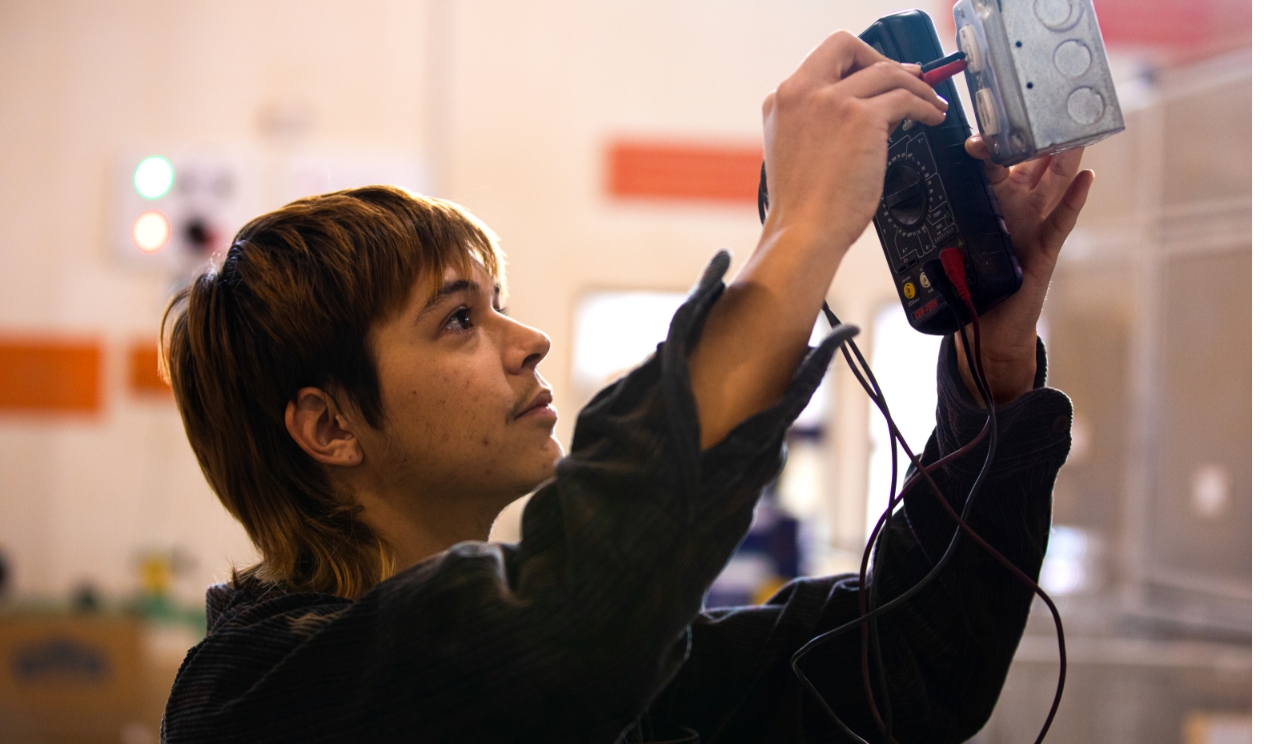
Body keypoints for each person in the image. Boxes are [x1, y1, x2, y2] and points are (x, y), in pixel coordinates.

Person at [160, 31, 1092, 744]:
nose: (527, 343)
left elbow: (913, 670)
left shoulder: (603, 652)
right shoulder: (257, 696)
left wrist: (990, 377)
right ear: (328, 425)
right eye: (458, 321)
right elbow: (560, 635)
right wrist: (802, 230)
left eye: (501, 306)